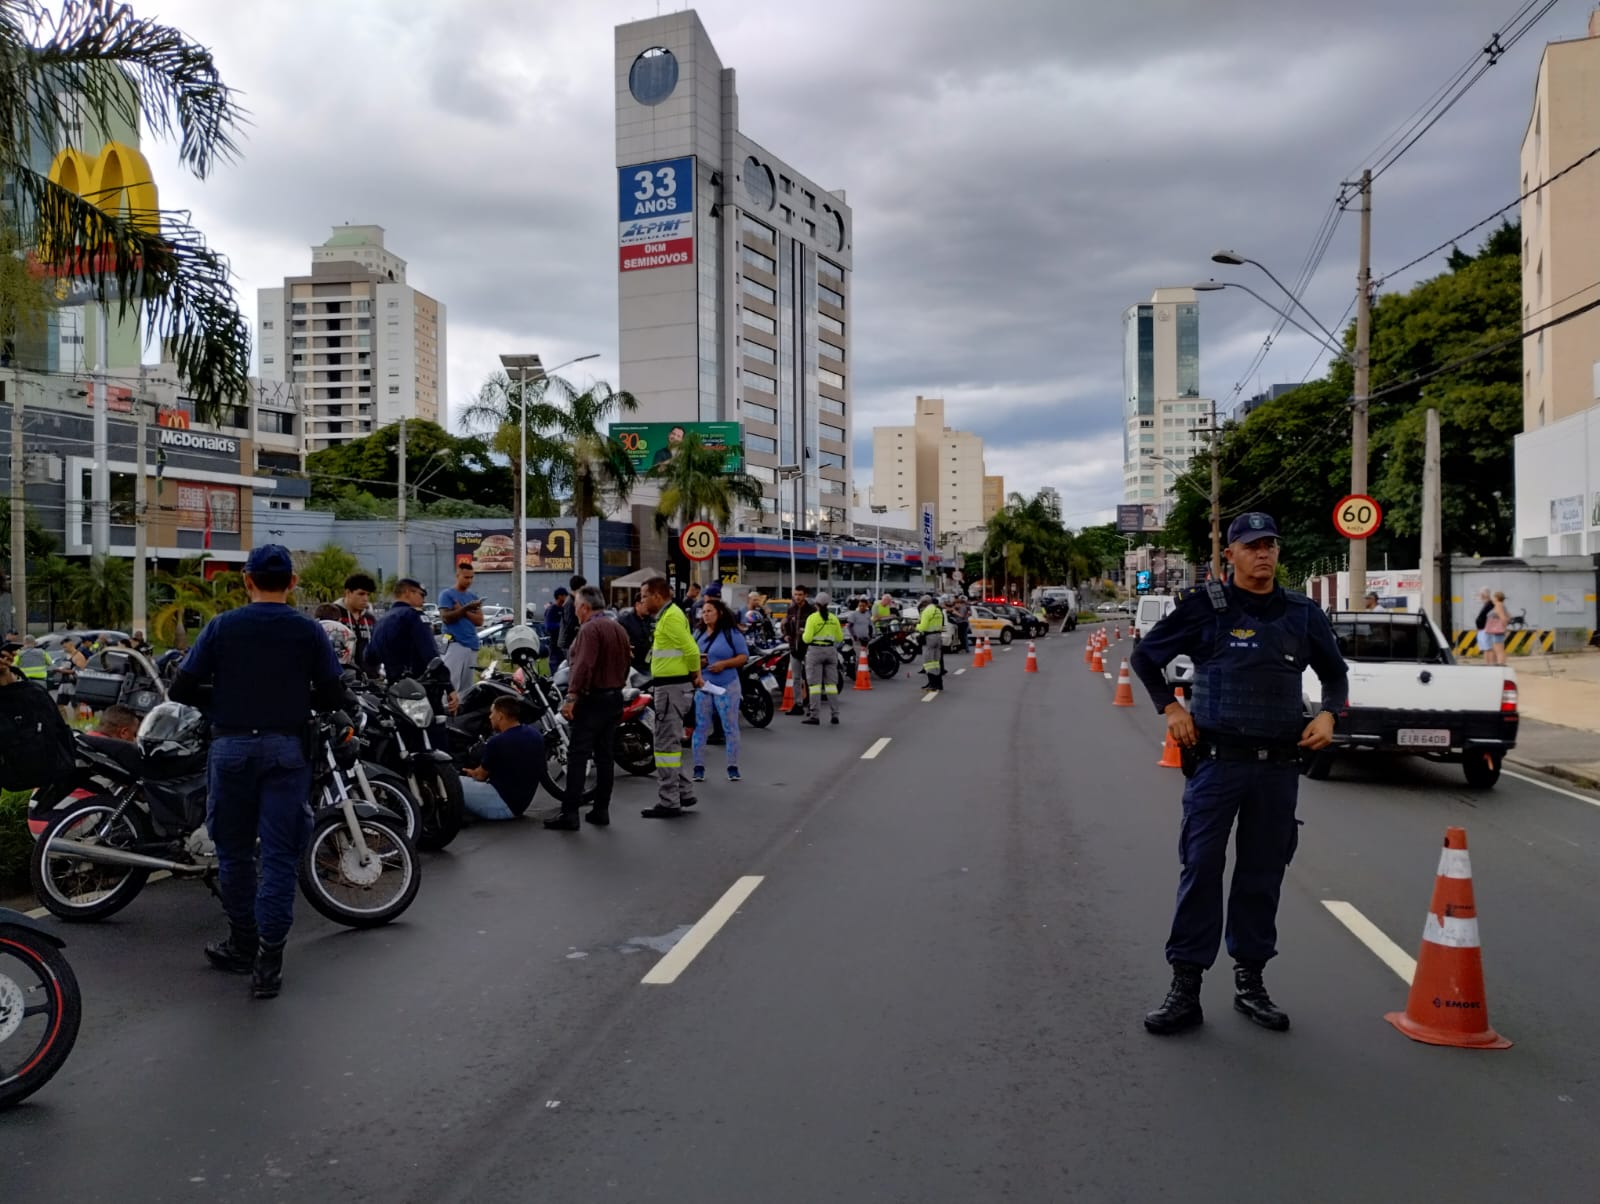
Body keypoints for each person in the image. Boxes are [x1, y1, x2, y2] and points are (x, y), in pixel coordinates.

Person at [1129, 513, 1347, 1037]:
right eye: (1251, 546)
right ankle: (1186, 986)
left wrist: (1329, 713)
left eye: (1270, 544)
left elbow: (1335, 674)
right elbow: (1145, 655)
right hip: (1217, 766)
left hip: (1278, 770)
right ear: (1230, 554)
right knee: (1201, 868)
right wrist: (1172, 709)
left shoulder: (1302, 612)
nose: (1263, 554)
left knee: (1261, 875)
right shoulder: (1205, 607)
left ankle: (1251, 982)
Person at [168, 544, 348, 1001]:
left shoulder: (222, 626)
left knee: (234, 855)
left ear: (247, 581)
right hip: (287, 749)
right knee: (281, 858)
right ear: (292, 583)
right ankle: (269, 962)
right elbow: (332, 695)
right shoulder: (308, 631)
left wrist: (224, 703)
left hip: (229, 748)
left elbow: (181, 687)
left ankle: (242, 943)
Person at [551, 585, 633, 830]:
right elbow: (627, 662)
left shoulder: (589, 629)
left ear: (585, 607)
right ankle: (601, 809)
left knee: (578, 755)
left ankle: (570, 813)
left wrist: (572, 697)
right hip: (614, 697)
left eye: (576, 607)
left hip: (593, 699)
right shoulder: (618, 628)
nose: (575, 612)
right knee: (605, 756)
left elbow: (583, 666)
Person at [640, 575, 702, 818]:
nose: (643, 601)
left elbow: (691, 648)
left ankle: (669, 801)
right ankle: (684, 792)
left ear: (657, 596)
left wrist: (696, 675)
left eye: (645, 596)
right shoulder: (669, 615)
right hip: (672, 687)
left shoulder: (671, 618)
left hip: (671, 689)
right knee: (671, 746)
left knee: (664, 748)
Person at [460, 696, 544, 821]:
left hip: (501, 805)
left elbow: (480, 776)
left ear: (500, 716)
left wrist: (468, 772)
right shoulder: (535, 735)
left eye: (492, 713)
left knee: (454, 782)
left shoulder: (497, 742)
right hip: (520, 805)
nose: (490, 717)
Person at [693, 597, 750, 779]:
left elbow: (743, 656)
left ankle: (732, 767)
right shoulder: (698, 634)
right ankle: (698, 768)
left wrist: (724, 664)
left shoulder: (731, 633)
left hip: (727, 685)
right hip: (704, 686)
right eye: (704, 612)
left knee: (730, 726)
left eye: (710, 611)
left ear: (720, 613)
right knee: (701, 726)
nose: (706, 615)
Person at [366, 578, 440, 682]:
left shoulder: (380, 621)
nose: (424, 601)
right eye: (421, 595)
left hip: (390, 685)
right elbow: (430, 654)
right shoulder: (414, 616)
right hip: (416, 685)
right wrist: (447, 685)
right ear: (407, 593)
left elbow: (370, 657)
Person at [437, 563, 483, 692]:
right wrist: (466, 609)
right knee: (451, 686)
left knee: (467, 688)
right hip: (454, 644)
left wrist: (464, 610)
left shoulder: (473, 597)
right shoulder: (447, 594)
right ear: (457, 576)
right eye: (466, 577)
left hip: (471, 645)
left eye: (471, 577)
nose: (469, 581)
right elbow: (446, 618)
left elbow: (479, 621)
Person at [802, 591, 843, 725]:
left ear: (816, 604)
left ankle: (814, 716)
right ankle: (835, 715)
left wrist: (802, 633)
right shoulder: (833, 618)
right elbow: (839, 638)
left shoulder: (812, 618)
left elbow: (807, 638)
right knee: (831, 686)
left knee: (815, 686)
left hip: (815, 652)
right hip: (831, 652)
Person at [332, 572, 378, 668]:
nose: (365, 598)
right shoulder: (333, 615)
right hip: (341, 675)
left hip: (368, 676)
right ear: (348, 592)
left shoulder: (370, 619)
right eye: (361, 594)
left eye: (368, 594)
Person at [782, 584, 815, 715]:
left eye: (800, 595)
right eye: (795, 594)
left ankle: (811, 706)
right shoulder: (791, 609)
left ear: (805, 595)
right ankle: (798, 704)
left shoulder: (812, 610)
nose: (797, 597)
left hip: (808, 649)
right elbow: (785, 624)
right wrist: (786, 635)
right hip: (794, 648)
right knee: (796, 678)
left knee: (810, 678)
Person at [617, 590, 655, 676]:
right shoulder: (625, 620)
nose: (649, 607)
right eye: (646, 604)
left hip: (648, 664)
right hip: (631, 666)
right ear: (637, 605)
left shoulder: (652, 620)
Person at [54, 636, 88, 719]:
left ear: (71, 645)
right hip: (64, 682)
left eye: (65, 646)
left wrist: (63, 671)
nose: (64, 649)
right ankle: (64, 721)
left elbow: (80, 671)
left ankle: (78, 723)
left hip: (73, 683)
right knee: (59, 705)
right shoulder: (67, 656)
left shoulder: (78, 656)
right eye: (63, 647)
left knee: (75, 705)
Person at [916, 594, 945, 690]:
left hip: (929, 637)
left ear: (924, 603)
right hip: (938, 637)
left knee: (928, 662)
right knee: (936, 661)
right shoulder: (938, 610)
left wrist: (915, 627)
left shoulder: (926, 611)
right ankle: (938, 683)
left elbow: (923, 627)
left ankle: (933, 684)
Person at [557, 575, 586, 663]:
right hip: (568, 642)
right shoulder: (570, 603)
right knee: (573, 665)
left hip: (570, 641)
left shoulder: (573, 601)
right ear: (579, 588)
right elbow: (570, 624)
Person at [543, 588, 570, 670]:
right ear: (560, 596)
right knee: (555, 666)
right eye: (565, 596)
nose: (566, 598)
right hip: (555, 644)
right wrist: (562, 626)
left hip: (565, 644)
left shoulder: (565, 608)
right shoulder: (552, 609)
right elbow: (548, 626)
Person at [1485, 590, 1510, 666]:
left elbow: (1503, 618)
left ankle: (1501, 665)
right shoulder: (1502, 605)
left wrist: (1503, 628)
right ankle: (1497, 665)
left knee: (1499, 650)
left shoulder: (1499, 605)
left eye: (1493, 597)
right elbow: (1508, 617)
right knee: (1496, 649)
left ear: (1496, 598)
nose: (1492, 599)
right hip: (1496, 631)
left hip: (1497, 631)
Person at [1473, 589, 1494, 661]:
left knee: (1488, 648)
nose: (1481, 595)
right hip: (1482, 629)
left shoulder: (1490, 603)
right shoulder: (1486, 604)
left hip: (1486, 629)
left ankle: (1491, 664)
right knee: (1485, 648)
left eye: (1482, 594)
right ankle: (1487, 664)